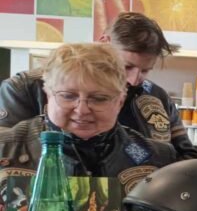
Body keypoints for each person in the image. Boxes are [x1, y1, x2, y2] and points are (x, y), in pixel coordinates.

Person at [0, 12, 197, 161]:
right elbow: (10, 153)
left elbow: (183, 159)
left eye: (145, 71)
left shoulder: (156, 97)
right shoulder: (26, 87)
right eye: (126, 66)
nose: (133, 80)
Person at [0, 43, 176, 190]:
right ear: (48, 95)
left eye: (99, 99)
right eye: (68, 96)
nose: (82, 110)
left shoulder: (157, 159)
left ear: (120, 102)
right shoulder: (4, 149)